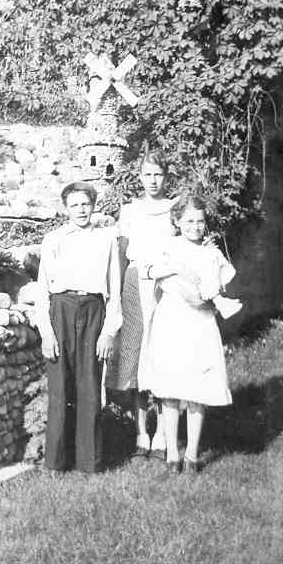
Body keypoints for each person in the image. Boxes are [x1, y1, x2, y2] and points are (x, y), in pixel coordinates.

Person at [138, 194, 237, 474]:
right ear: (177, 222)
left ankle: (192, 455)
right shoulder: (168, 247)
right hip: (171, 321)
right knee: (170, 390)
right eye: (189, 221)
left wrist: (211, 296)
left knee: (197, 390)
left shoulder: (211, 253)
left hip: (200, 323)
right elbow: (145, 270)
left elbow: (221, 285)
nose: (195, 226)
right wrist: (173, 267)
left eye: (200, 221)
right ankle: (172, 453)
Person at [35, 181, 122, 473]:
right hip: (61, 310)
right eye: (74, 205)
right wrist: (47, 333)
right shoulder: (54, 240)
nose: (81, 210)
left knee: (89, 387)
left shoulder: (106, 239)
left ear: (93, 205)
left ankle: (89, 463)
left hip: (93, 310)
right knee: (60, 388)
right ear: (65, 209)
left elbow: (115, 289)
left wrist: (109, 331)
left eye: (85, 203)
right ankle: (56, 463)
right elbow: (42, 291)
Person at [106, 147, 177, 460]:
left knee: (161, 355)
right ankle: (141, 434)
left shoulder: (174, 209)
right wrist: (117, 296)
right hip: (135, 284)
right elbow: (121, 256)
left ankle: (162, 434)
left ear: (166, 176)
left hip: (166, 284)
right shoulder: (130, 211)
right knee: (136, 355)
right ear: (139, 176)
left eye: (158, 174)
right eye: (147, 174)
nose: (153, 180)